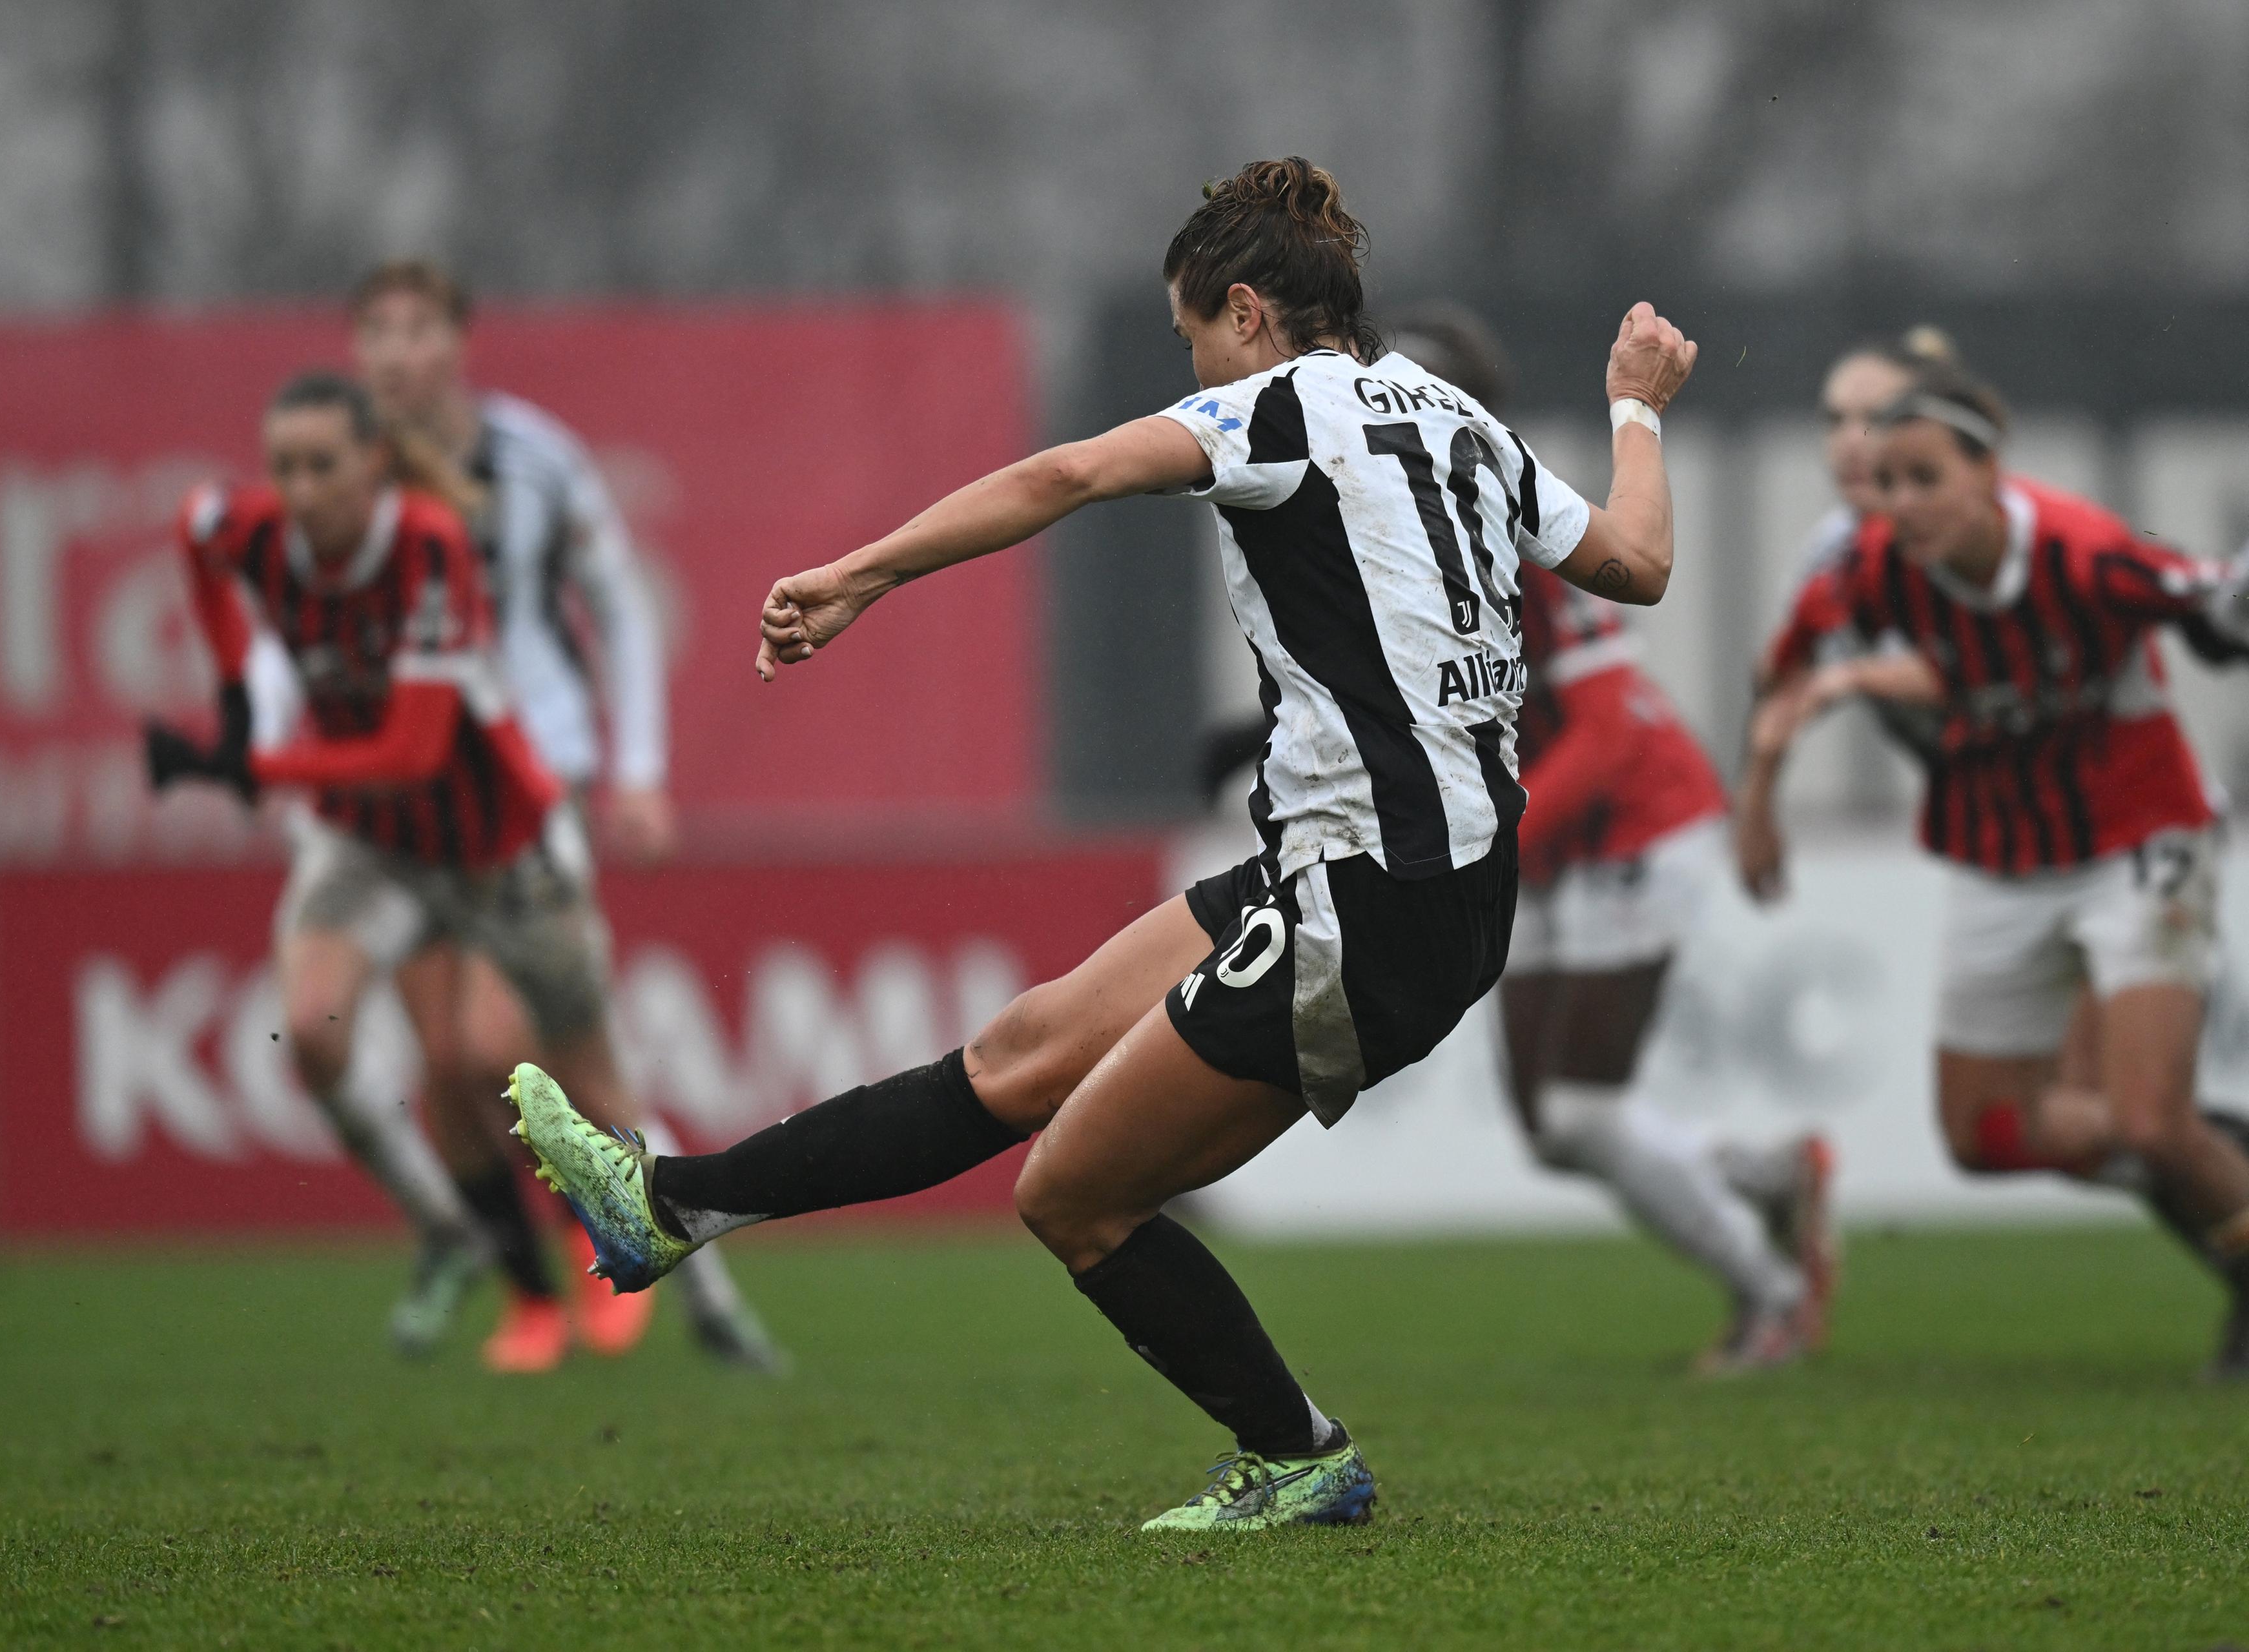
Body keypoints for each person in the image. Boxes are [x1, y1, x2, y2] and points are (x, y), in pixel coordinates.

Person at [508, 158, 1698, 1529]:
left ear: (1246, 312)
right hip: (1396, 873)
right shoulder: (1463, 420)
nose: (1185, 366)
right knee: (1024, 1051)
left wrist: (860, 572)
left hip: (1369, 894)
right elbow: (1638, 564)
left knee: (1074, 1193)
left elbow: (1071, 470)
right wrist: (1635, 410)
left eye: (1188, 335)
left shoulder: (1270, 409)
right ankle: (669, 1208)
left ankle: (1302, 1455)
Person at [1738, 356, 2249, 1377]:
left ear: (1990, 473)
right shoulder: (1867, 568)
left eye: (1925, 478)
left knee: (2149, 1122)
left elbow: (2215, 613)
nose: (1901, 504)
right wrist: (1759, 795)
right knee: (1983, 1137)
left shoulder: (2086, 552)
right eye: (1886, 484)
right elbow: (1784, 668)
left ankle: (2211, 1181)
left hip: (2139, 845)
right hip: (1997, 858)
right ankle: (2222, 1154)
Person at [141, 372, 657, 1361]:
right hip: (379, 843)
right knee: (345, 1043)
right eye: (283, 466)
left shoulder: (428, 546)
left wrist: (248, 759)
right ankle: (486, 1261)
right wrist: (236, 688)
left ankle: (619, 1240)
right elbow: (197, 526)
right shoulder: (249, 528)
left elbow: (414, 751)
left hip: (498, 831)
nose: (299, 488)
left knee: (496, 1060)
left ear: (374, 462)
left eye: (321, 464)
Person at [347, 260, 781, 1374]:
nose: (396, 353)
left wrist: (635, 769)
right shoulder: (339, 470)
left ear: (457, 341)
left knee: (515, 1048)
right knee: (442, 1065)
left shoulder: (533, 456)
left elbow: (619, 606)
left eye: (416, 329)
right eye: (376, 332)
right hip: (397, 800)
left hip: (526, 786)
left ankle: (662, 1265)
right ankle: (532, 1297)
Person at [1390, 307, 1838, 1374]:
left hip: (1633, 821)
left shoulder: (1512, 517)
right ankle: (1774, 1177)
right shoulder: (1382, 525)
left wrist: (1498, 833)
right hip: (1544, 834)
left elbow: (1600, 724)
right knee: (1552, 1129)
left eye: (1418, 392)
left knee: (1586, 1114)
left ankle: (1774, 1295)